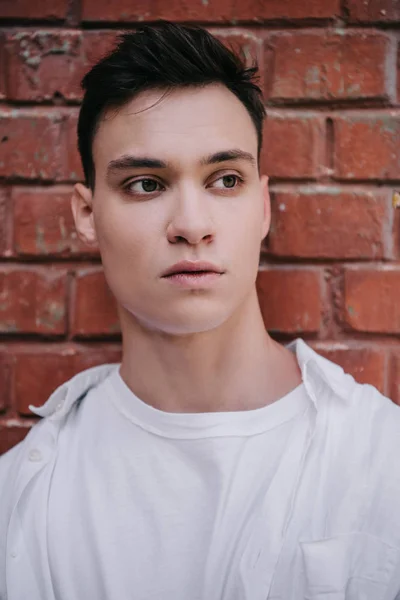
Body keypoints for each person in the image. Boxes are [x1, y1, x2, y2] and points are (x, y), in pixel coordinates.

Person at [1, 21, 400, 600]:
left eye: (225, 179)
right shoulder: (23, 499)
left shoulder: (381, 461)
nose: (191, 225)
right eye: (145, 184)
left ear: (263, 206)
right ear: (87, 214)